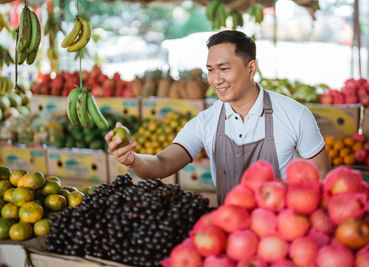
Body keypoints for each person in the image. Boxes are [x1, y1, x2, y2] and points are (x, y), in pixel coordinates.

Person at [105, 30, 331, 205]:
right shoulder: (206, 122)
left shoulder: (295, 115)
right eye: (210, 70)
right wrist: (132, 159)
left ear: (251, 69)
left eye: (224, 69)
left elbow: (321, 178)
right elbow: (162, 164)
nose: (216, 79)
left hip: (279, 232)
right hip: (227, 234)